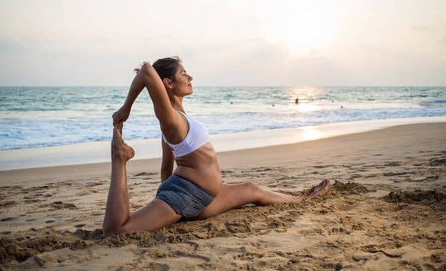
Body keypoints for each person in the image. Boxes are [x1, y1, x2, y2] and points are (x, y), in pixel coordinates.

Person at [103, 57, 330, 237]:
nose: (190, 76)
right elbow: (145, 70)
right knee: (117, 231)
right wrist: (126, 108)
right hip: (186, 195)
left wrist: (164, 207)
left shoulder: (178, 119)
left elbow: (166, 167)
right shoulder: (170, 118)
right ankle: (119, 158)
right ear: (168, 84)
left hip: (203, 198)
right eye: (183, 73)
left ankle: (305, 200)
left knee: (252, 189)